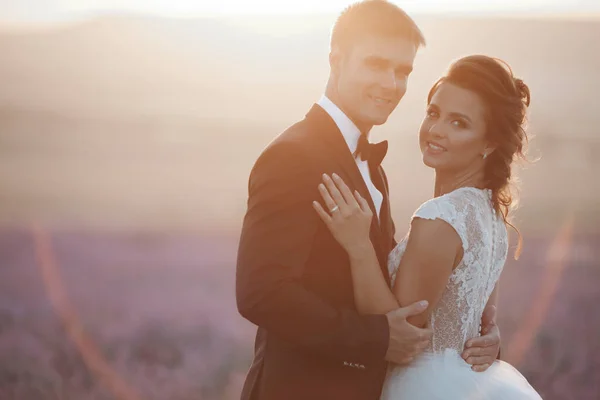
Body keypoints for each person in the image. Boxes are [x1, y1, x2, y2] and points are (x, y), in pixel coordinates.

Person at [236, 1, 500, 399]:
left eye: (403, 71)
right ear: (336, 60)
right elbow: (262, 291)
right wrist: (373, 339)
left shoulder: (370, 165)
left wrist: (480, 334)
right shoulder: (294, 155)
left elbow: (397, 282)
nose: (391, 84)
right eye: (376, 65)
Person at [312, 54, 542, 399]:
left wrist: (358, 247)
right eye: (434, 113)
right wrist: (491, 340)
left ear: (490, 143)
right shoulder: (491, 215)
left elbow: (401, 333)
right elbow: (482, 321)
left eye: (459, 123)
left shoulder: (440, 217)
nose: (436, 129)